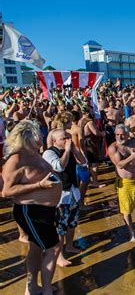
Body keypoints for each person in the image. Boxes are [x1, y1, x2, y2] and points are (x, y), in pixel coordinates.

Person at [1, 120, 62, 295]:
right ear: (29, 136)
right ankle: (47, 290)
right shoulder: (16, 159)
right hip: (31, 211)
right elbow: (6, 191)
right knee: (54, 248)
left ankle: (32, 288)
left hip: (46, 210)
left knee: (36, 248)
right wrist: (40, 186)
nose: (42, 137)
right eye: (39, 135)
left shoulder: (35, 153)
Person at [43, 129, 86, 267]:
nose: (67, 140)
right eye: (64, 138)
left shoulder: (71, 149)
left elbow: (83, 162)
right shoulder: (49, 153)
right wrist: (67, 151)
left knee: (72, 222)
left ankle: (70, 246)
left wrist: (74, 149)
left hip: (73, 191)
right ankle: (59, 256)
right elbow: (59, 167)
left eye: (68, 137)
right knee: (60, 228)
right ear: (55, 141)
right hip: (60, 195)